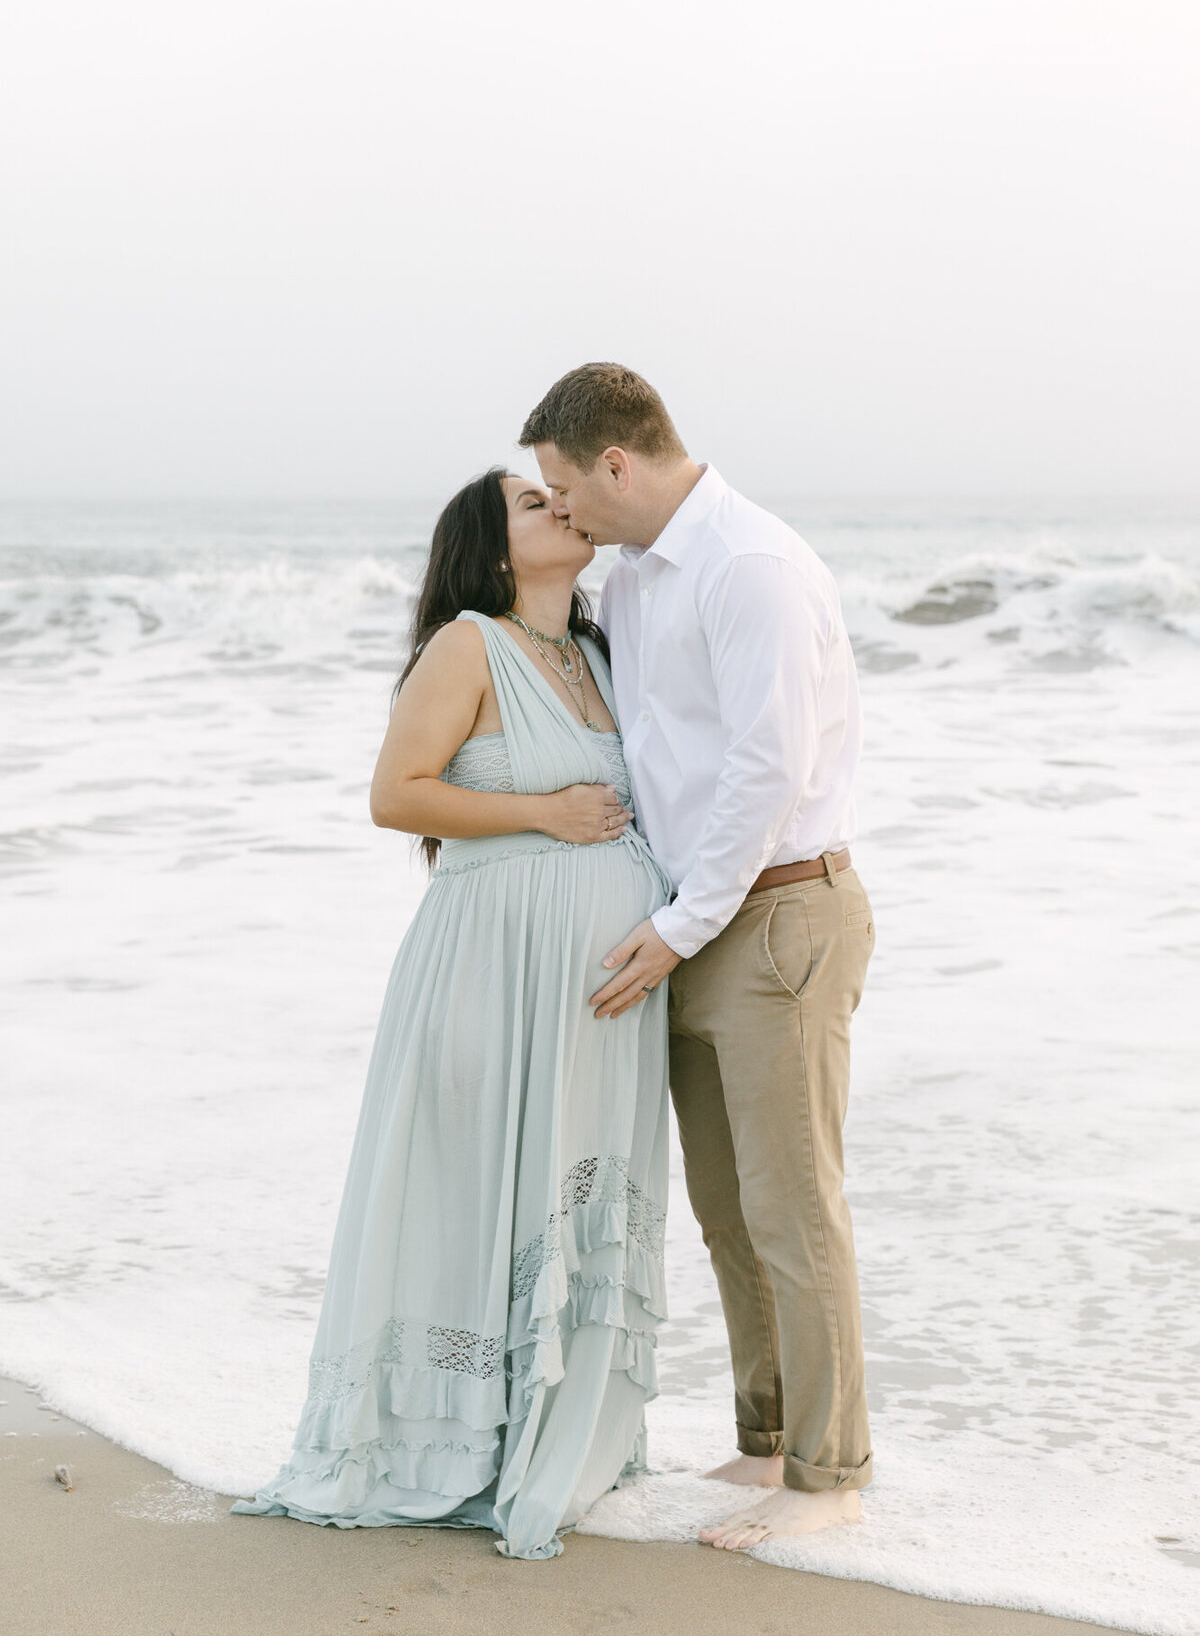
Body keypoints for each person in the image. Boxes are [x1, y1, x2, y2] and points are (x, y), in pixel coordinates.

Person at [232, 467, 672, 1560]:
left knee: (569, 1190)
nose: (561, 507)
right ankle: (441, 1446)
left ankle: (560, 1432)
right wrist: (544, 814)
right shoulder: (468, 644)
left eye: (558, 495)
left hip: (594, 998)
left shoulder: (603, 655)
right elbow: (397, 795)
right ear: (489, 550)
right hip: (486, 971)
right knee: (472, 1192)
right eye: (532, 504)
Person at [523, 363, 875, 1552]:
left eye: (565, 489)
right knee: (728, 1211)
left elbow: (763, 773)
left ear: (616, 465)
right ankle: (769, 1445)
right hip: (697, 919)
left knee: (795, 1208)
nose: (561, 512)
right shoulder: (632, 580)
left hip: (777, 917)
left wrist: (678, 927)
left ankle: (830, 1486)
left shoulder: (750, 568)